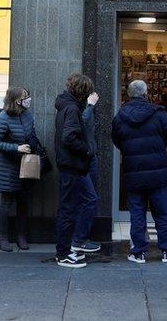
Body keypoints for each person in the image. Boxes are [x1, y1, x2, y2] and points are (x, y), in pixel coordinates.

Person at [112, 80, 167, 264]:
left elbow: (117, 140)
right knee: (162, 212)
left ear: (129, 94)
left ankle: (138, 251)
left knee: (137, 213)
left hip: (133, 172)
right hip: (158, 172)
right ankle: (166, 250)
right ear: (146, 93)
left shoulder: (120, 116)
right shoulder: (159, 113)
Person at [0, 87, 47, 252]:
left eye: (28, 95)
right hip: (8, 168)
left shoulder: (27, 115)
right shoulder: (3, 117)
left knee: (23, 202)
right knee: (6, 203)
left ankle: (22, 236)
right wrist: (16, 148)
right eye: (24, 97)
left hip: (27, 165)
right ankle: (2, 238)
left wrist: (33, 144)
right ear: (16, 100)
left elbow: (32, 133)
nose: (28, 99)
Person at [53, 73, 96, 268]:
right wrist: (86, 149)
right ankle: (63, 254)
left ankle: (68, 249)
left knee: (72, 206)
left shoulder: (66, 106)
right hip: (72, 165)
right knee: (68, 209)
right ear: (82, 91)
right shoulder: (71, 109)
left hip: (69, 164)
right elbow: (69, 137)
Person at [71, 90, 101, 254]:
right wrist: (90, 106)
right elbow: (80, 126)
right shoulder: (74, 107)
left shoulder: (80, 106)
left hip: (91, 157)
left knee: (89, 198)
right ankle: (78, 239)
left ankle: (81, 238)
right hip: (83, 158)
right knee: (89, 198)